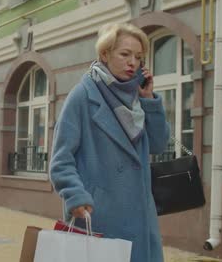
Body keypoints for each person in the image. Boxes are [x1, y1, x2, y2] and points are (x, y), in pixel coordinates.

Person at [49, 23, 170, 262]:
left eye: (138, 57)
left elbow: (157, 145)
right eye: (125, 54)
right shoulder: (83, 95)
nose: (132, 63)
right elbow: (61, 159)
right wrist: (75, 195)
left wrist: (149, 101)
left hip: (141, 216)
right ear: (105, 54)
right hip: (99, 214)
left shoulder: (136, 98)